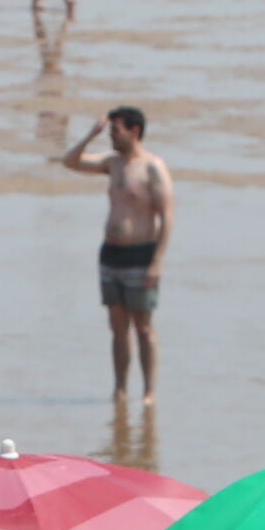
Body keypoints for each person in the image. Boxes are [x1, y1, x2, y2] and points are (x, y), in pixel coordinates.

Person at [61, 108, 172, 404]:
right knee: (117, 327)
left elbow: (168, 217)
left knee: (144, 326)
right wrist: (91, 134)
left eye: (116, 130)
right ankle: (120, 389)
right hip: (111, 255)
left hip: (141, 254)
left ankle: (149, 391)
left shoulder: (152, 167)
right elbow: (69, 161)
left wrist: (157, 261)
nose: (112, 136)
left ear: (134, 131)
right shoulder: (112, 163)